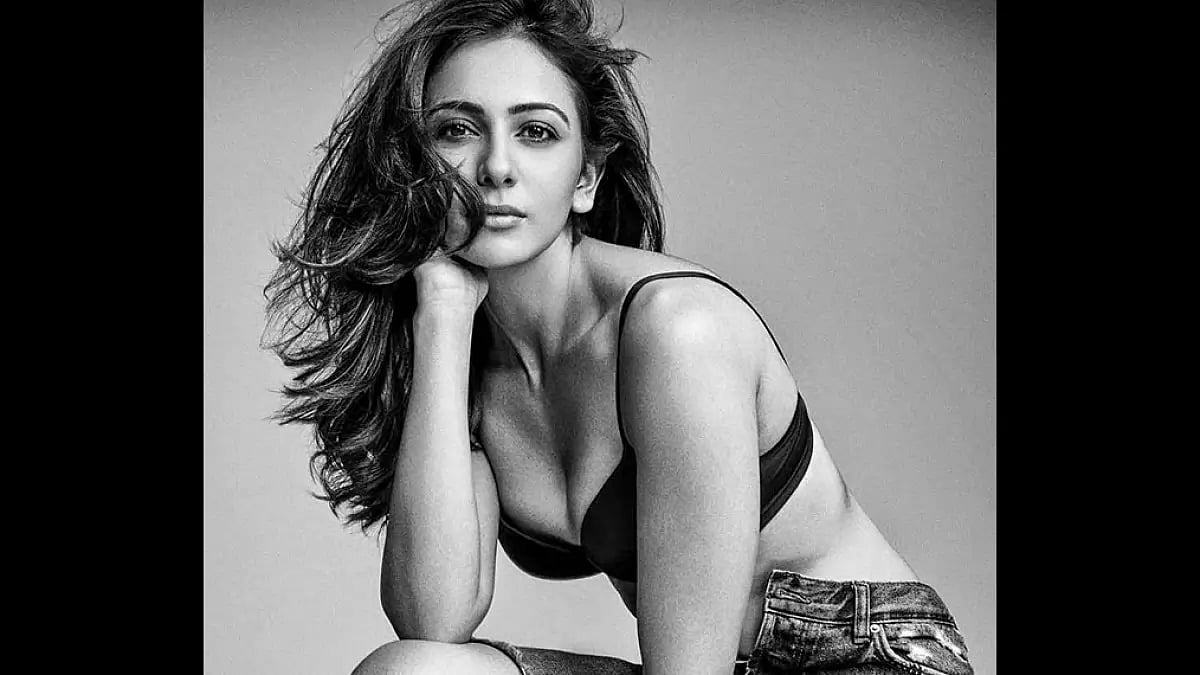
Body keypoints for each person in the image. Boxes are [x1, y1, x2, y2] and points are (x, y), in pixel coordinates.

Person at [264, 1, 976, 673]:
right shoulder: (468, 361)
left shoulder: (677, 332)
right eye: (456, 130)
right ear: (411, 165)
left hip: (866, 658)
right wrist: (443, 319)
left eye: (536, 132)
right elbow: (432, 618)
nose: (497, 167)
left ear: (586, 177)